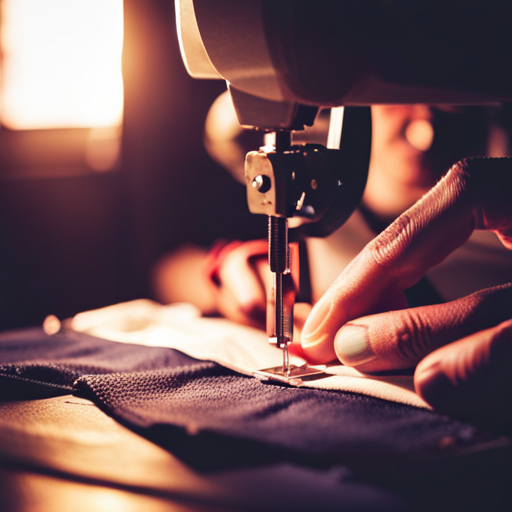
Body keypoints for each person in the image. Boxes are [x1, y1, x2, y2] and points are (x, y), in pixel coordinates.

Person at [153, 92, 512, 428]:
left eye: (456, 105)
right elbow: (168, 268)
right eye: (397, 95)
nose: (424, 132)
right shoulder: (305, 133)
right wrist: (227, 274)